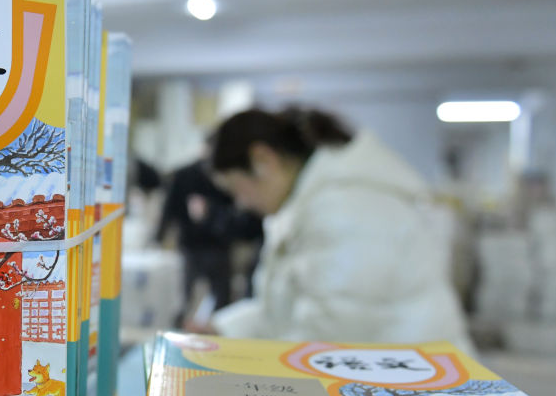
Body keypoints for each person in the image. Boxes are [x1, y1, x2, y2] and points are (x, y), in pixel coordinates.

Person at [202, 106, 474, 354]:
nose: (242, 203)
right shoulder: (307, 207)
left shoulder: (345, 207)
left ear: (263, 160)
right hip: (391, 374)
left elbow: (334, 330)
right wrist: (225, 328)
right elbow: (287, 310)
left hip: (422, 381)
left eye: (236, 188)